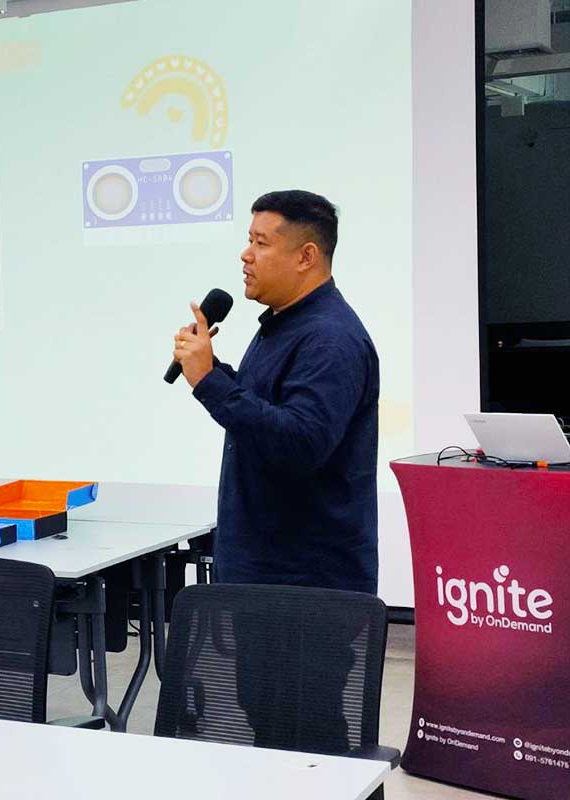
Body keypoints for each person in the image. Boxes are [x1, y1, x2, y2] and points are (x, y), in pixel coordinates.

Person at [172, 190, 380, 755]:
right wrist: (215, 372)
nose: (246, 255)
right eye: (248, 240)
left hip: (305, 586)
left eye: (261, 243)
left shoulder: (331, 339)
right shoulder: (284, 326)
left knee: (309, 740)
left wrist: (210, 383)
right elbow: (269, 414)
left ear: (306, 256)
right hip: (268, 575)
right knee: (269, 721)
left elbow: (300, 443)